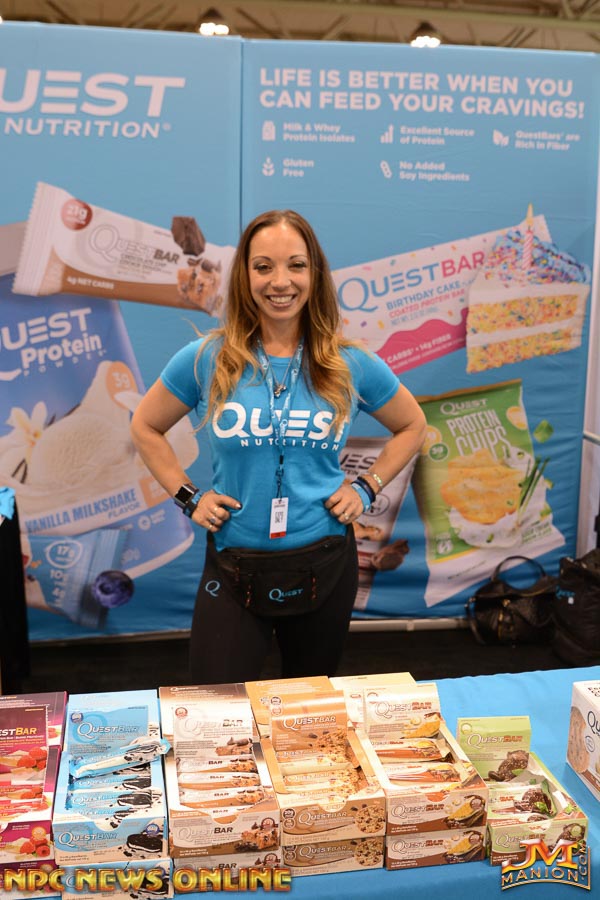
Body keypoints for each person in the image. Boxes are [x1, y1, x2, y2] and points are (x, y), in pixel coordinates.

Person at [131, 209, 426, 683]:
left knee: (306, 711)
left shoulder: (348, 363)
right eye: (263, 267)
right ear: (245, 276)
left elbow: (412, 425)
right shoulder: (207, 358)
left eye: (296, 265)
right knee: (216, 707)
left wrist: (366, 488)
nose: (280, 281)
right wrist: (189, 497)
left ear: (315, 274)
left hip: (325, 561)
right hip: (233, 564)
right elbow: (145, 426)